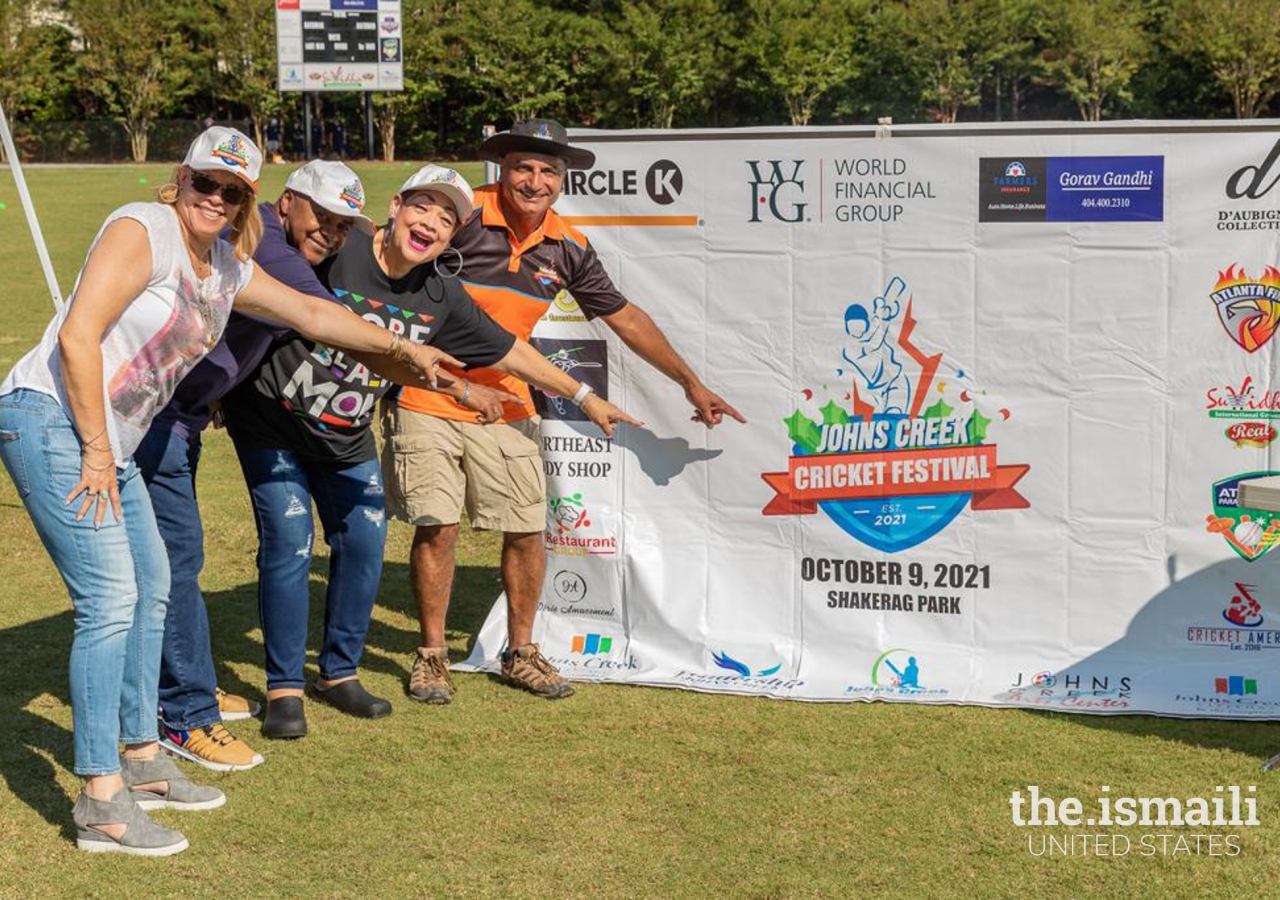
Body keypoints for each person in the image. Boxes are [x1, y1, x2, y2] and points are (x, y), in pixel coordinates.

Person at [0, 127, 463, 855]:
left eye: (233, 190)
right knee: (110, 602)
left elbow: (315, 315)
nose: (216, 198)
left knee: (153, 587)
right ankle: (100, 801)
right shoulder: (140, 227)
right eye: (206, 183)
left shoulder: (226, 264)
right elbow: (77, 336)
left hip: (109, 440)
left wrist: (403, 350)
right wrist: (94, 451)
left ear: (250, 201)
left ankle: (144, 759)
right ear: (180, 179)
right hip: (55, 421)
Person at [221, 163, 639, 740]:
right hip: (271, 424)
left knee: (365, 546)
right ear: (396, 207)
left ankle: (338, 674)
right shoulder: (344, 247)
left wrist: (584, 394)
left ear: (454, 234)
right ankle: (284, 688)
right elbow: (258, 266)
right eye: (423, 208)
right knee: (290, 545)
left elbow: (509, 351)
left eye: (447, 219)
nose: (431, 224)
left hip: (344, 437)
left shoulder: (441, 294)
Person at [385, 119, 745, 705]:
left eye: (548, 171)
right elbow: (391, 261)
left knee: (528, 529)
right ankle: (432, 656)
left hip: (507, 400)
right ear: (503, 169)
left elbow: (625, 319)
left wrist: (689, 382)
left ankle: (520, 652)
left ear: (562, 180)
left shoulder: (568, 247)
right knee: (439, 525)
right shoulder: (462, 215)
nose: (534, 181)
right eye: (523, 167)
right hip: (430, 392)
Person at [134, 159, 372, 773]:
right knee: (167, 564)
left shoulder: (263, 240)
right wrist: (408, 352)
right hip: (149, 417)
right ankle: (181, 712)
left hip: (178, 419)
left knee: (171, 559)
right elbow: (322, 318)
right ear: (288, 202)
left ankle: (183, 684)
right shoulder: (269, 242)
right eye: (322, 215)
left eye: (345, 225)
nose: (331, 232)